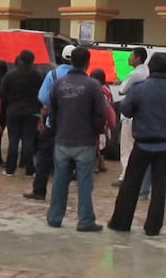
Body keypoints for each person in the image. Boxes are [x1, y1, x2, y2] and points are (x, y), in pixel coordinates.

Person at [108, 52, 166, 236]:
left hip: (143, 143)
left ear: (150, 69)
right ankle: (153, 227)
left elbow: (127, 111)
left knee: (130, 185)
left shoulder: (139, 88)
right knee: (159, 189)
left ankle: (121, 222)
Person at [46, 47, 106, 232]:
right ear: (88, 63)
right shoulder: (93, 85)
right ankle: (85, 220)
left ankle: (55, 217)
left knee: (60, 181)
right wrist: (96, 132)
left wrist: (57, 130)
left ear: (71, 60)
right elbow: (100, 114)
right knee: (85, 182)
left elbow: (52, 112)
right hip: (85, 141)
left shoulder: (59, 83)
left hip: (63, 139)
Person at [24, 53, 72, 200]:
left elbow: (43, 97)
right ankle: (62, 193)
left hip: (52, 122)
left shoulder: (53, 74)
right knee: (68, 160)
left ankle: (39, 190)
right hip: (72, 125)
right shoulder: (85, 78)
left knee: (44, 158)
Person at [0, 50, 42, 178]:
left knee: (13, 140)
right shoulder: (37, 75)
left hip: (13, 110)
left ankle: (10, 169)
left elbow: (2, 93)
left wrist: (8, 104)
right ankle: (30, 169)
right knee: (28, 141)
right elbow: (41, 94)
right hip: (31, 111)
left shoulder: (10, 75)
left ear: (20, 60)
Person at [115, 47, 149, 187]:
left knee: (126, 148)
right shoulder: (147, 72)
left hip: (130, 115)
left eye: (131, 56)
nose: (129, 58)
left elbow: (122, 90)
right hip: (142, 114)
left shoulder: (134, 74)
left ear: (138, 58)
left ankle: (125, 176)